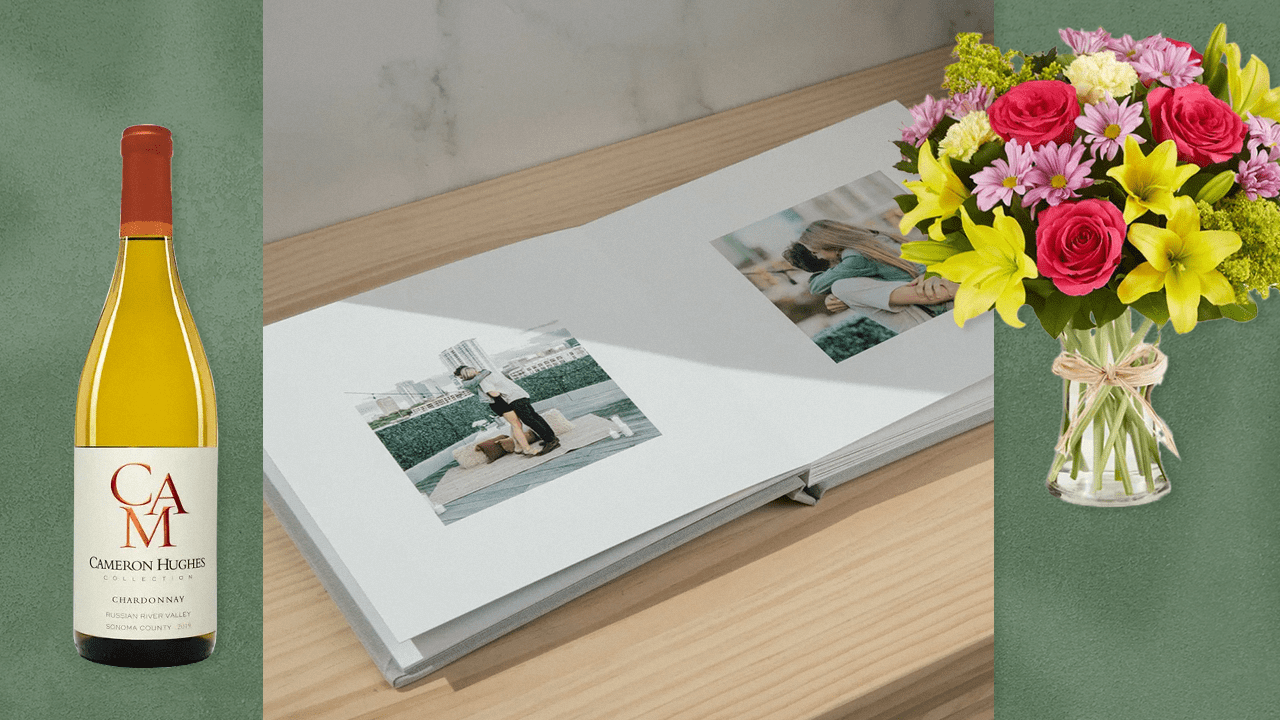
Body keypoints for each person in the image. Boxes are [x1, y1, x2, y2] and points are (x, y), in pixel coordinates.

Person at [782, 220, 956, 334]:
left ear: (827, 244)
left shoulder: (855, 258)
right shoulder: (875, 237)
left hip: (939, 302)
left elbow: (816, 287)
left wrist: (820, 280)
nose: (820, 257)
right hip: (942, 281)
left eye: (816, 251)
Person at [454, 365, 561, 457]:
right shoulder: (489, 373)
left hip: (513, 399)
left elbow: (494, 394)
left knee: (529, 420)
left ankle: (550, 441)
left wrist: (500, 393)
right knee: (534, 417)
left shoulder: (482, 380)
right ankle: (551, 438)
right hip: (521, 394)